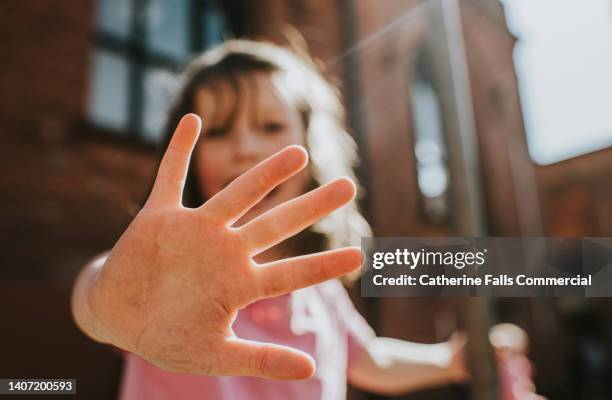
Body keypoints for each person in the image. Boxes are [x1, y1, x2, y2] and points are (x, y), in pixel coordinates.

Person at [71, 39, 537, 400]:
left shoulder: (318, 288)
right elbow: (100, 300)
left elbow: (368, 358)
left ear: (313, 151)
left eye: (271, 126)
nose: (246, 148)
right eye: (217, 131)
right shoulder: (174, 278)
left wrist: (451, 360)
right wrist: (105, 299)